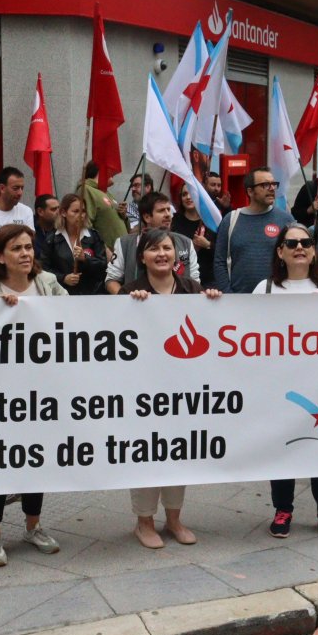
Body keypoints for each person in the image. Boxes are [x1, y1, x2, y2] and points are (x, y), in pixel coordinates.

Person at [119, 228, 221, 548]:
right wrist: (132, 306)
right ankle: (144, 522)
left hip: (183, 390)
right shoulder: (130, 292)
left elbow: (209, 331)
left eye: (167, 248)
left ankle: (174, 519)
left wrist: (213, 302)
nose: (161, 254)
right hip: (144, 391)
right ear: (142, 257)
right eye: (154, 249)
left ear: (176, 255)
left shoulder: (192, 289)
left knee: (179, 451)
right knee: (146, 453)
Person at [0, 224, 63, 565]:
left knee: (34, 458)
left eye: (28, 247)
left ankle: (33, 525)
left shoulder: (48, 284)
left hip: (40, 391)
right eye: (17, 248)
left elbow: (75, 320)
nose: (25, 254)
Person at [252, 223, 318, 541]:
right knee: (283, 447)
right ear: (280, 252)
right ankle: (283, 509)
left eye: (306, 242)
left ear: (313, 250)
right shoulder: (265, 289)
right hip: (279, 386)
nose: (299, 248)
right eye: (291, 243)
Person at [213, 167, 296, 294]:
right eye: (265, 185)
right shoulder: (230, 220)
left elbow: (296, 259)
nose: (272, 188)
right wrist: (228, 294)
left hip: (277, 299)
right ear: (250, 191)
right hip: (238, 300)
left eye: (273, 184)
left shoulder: (286, 220)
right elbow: (219, 262)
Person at [106, 192, 199, 294]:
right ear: (147, 217)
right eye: (161, 211)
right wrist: (129, 300)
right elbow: (111, 280)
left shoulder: (186, 243)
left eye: (168, 210)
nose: (168, 215)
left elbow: (194, 282)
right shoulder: (125, 243)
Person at [41, 194, 108, 296]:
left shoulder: (93, 236)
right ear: (63, 213)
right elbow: (43, 269)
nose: (81, 215)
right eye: (76, 211)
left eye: (83, 211)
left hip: (91, 295)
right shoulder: (52, 239)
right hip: (62, 296)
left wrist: (85, 259)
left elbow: (103, 267)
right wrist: (63, 278)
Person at [171, 182, 215, 287]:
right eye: (184, 194)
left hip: (209, 281)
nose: (188, 197)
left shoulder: (211, 221)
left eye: (192, 193)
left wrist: (208, 244)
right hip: (181, 279)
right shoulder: (174, 220)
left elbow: (223, 252)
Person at [78, 161, 129, 253]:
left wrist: (124, 216)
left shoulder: (105, 192)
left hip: (121, 253)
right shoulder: (86, 189)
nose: (114, 172)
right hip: (107, 255)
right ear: (101, 170)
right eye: (110, 168)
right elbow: (86, 224)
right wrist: (104, 250)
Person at [32, 194, 60, 261]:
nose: (58, 212)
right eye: (53, 209)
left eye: (59, 208)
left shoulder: (62, 228)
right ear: (40, 211)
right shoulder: (30, 227)